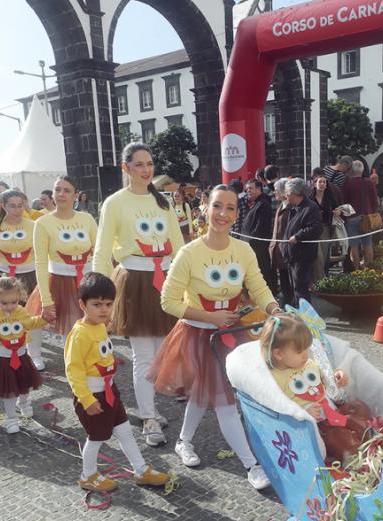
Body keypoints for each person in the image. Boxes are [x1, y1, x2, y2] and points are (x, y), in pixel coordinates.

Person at [148, 185, 283, 490]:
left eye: (231, 208)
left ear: (237, 213)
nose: (223, 214)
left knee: (204, 393)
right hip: (198, 335)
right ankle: (252, 465)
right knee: (225, 401)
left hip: (232, 335)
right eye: (217, 206)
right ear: (204, 208)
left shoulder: (243, 250)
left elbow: (259, 288)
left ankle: (183, 441)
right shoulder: (189, 253)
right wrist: (210, 317)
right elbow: (168, 301)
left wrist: (275, 310)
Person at [92, 143, 184, 447]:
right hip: (136, 282)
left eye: (149, 163)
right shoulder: (115, 203)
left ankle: (152, 408)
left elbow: (179, 245)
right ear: (125, 167)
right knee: (143, 356)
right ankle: (147, 417)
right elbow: (103, 250)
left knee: (161, 353)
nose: (146, 169)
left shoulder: (164, 202)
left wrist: (188, 282)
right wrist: (99, 295)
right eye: (139, 164)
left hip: (167, 280)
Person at [66, 273, 171, 491]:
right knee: (96, 438)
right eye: (96, 304)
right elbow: (73, 370)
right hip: (93, 396)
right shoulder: (79, 335)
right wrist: (86, 399)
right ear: (82, 304)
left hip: (109, 392)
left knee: (124, 431)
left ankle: (140, 469)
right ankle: (88, 475)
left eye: (108, 304)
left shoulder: (99, 326)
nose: (103, 310)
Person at [260, 314, 372, 466]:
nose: (306, 354)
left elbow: (325, 385)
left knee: (358, 406)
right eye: (300, 351)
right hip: (318, 426)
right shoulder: (276, 379)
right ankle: (357, 456)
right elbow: (279, 411)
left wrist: (337, 377)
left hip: (333, 413)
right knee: (339, 437)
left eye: (307, 348)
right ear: (279, 354)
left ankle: (371, 434)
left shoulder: (307, 363)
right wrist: (304, 412)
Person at [28, 176, 97, 371]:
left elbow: (99, 250)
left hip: (85, 278)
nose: (61, 194)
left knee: (78, 320)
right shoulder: (42, 223)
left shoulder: (86, 218)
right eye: (57, 190)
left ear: (76, 195)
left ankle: (77, 358)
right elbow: (40, 261)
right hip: (56, 278)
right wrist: (46, 297)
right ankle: (34, 353)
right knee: (39, 316)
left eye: (67, 190)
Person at [0, 277, 46, 434]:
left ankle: (24, 403)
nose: (10, 307)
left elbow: (30, 323)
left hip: (21, 356)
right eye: (4, 303)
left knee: (25, 384)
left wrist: (43, 319)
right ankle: (11, 418)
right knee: (9, 390)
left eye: (14, 302)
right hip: (0, 359)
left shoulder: (20, 311)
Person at [281, 178, 324, 306]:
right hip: (293, 256)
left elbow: (316, 228)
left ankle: (306, 320)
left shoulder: (310, 208)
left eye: (288, 194)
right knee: (295, 289)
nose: (286, 197)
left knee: (301, 290)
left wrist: (298, 236)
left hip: (302, 256)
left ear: (296, 194)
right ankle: (298, 316)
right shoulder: (295, 208)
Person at [240, 179, 277, 295]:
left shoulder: (263, 204)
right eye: (247, 189)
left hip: (258, 246)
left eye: (250, 188)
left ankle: (269, 294)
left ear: (258, 189)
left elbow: (261, 227)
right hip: (251, 245)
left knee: (263, 272)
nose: (248, 191)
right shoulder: (257, 203)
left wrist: (250, 241)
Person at [340, 160, 379, 271]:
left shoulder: (348, 183)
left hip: (352, 217)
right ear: (362, 170)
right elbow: (374, 201)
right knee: (367, 244)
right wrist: (371, 212)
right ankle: (368, 271)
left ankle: (356, 271)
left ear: (352, 170)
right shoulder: (369, 182)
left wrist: (345, 216)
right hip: (367, 217)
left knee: (354, 246)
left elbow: (344, 202)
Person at [269, 178, 295, 306]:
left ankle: (291, 300)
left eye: (277, 191)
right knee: (283, 276)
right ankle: (286, 299)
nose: (275, 193)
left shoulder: (291, 207)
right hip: (280, 248)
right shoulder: (281, 205)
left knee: (290, 277)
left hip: (288, 248)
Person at [310, 172, 340, 280]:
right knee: (316, 255)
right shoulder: (310, 198)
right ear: (315, 184)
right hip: (313, 229)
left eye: (324, 182)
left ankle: (323, 277)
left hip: (325, 229)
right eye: (320, 182)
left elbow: (337, 208)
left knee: (324, 255)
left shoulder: (329, 198)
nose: (322, 184)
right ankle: (317, 278)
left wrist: (338, 212)